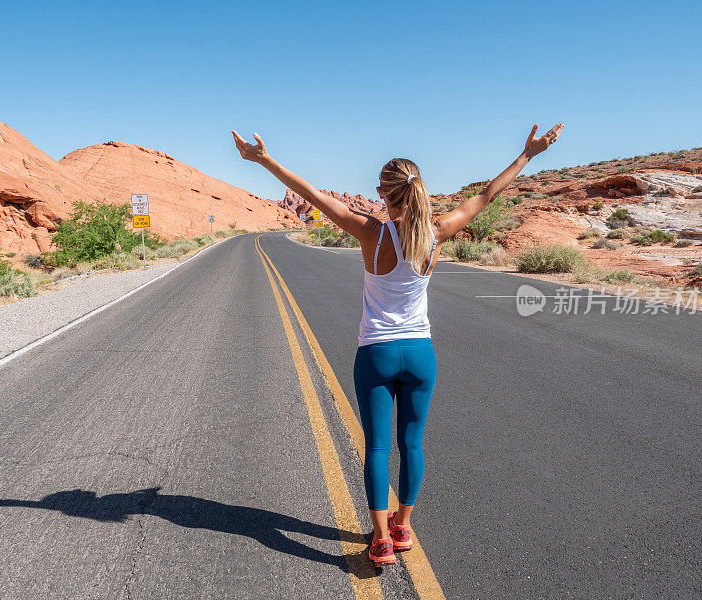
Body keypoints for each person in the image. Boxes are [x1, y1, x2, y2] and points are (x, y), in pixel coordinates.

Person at [231, 122, 564, 567]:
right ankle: (404, 527)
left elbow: (309, 193)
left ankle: (382, 539)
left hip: (377, 353)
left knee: (376, 448)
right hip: (420, 355)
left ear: (383, 193)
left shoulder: (371, 232)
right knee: (412, 443)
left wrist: (264, 159)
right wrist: (527, 155)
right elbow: (486, 196)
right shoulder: (438, 231)